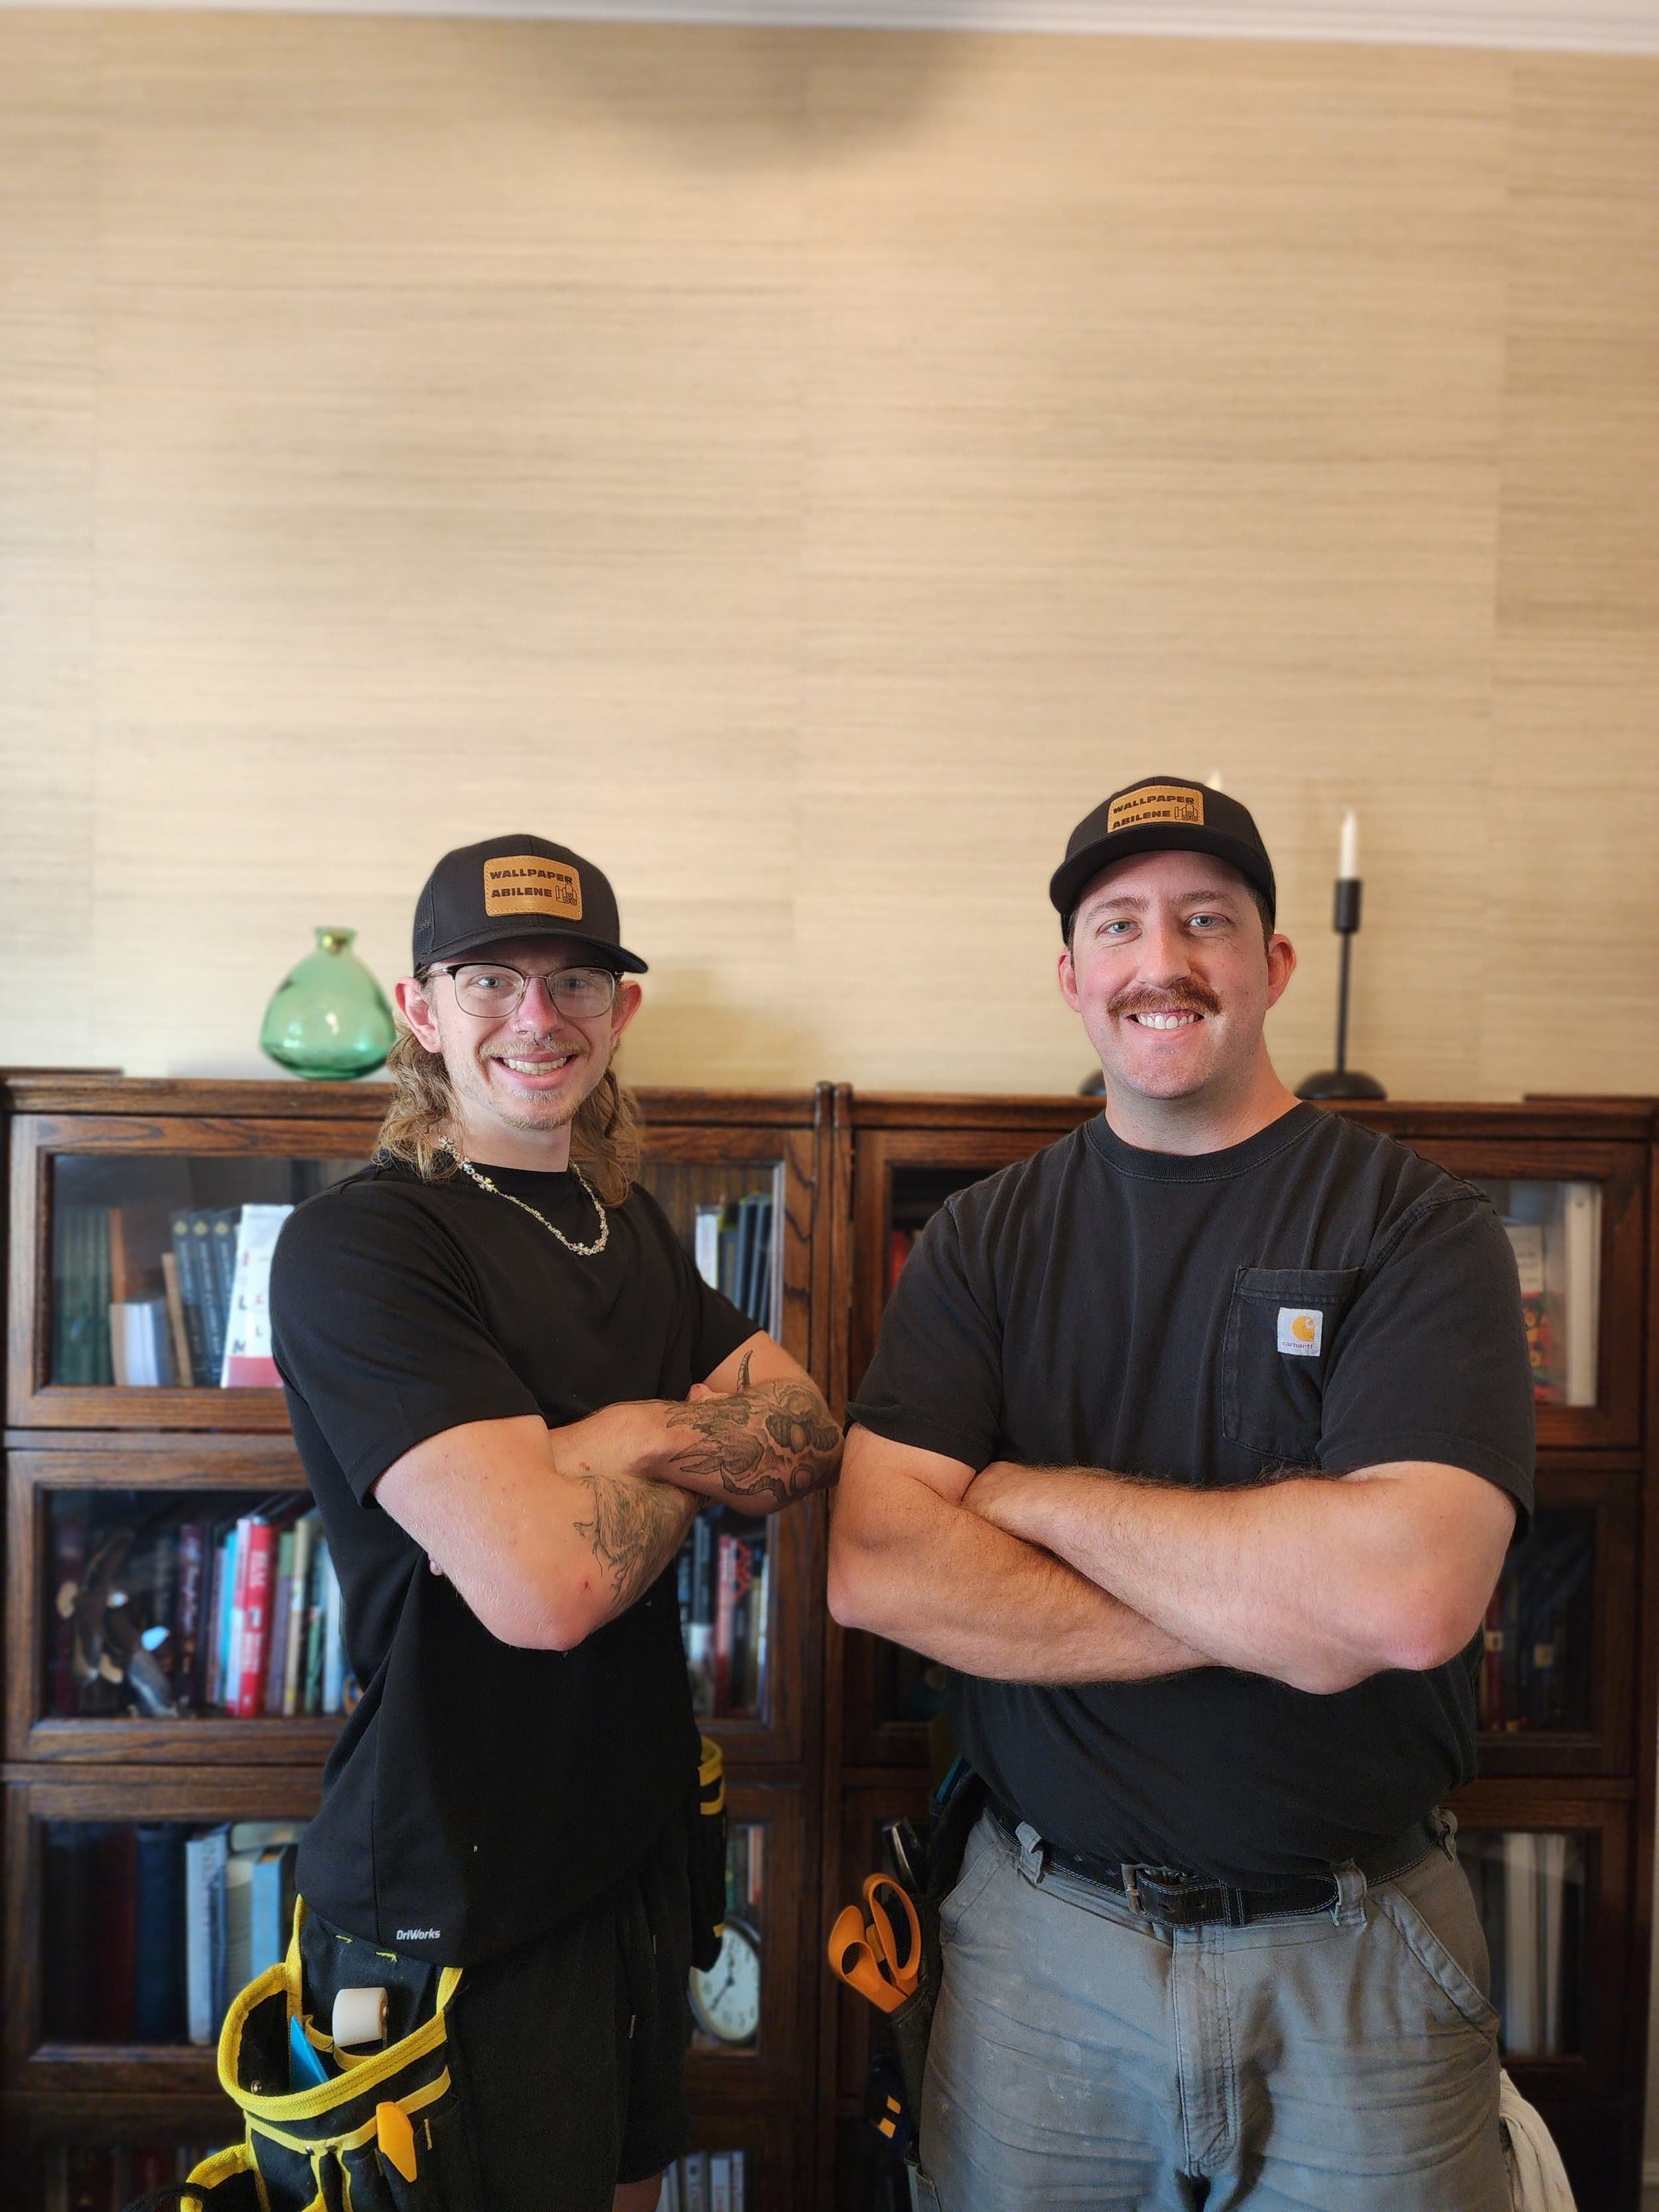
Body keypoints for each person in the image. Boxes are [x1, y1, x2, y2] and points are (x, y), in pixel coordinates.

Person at [829, 775, 1533, 2212]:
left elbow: (1404, 1597)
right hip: (1038, 1955)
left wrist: (1022, 1492)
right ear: (1073, 977)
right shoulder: (978, 1239)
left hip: (1358, 1962)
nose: (1162, 959)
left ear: (1270, 965)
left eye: (1204, 919)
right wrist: (1279, 1605)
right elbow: (880, 1566)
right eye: (1120, 924)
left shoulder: (1419, 1226)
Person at [270, 832, 841, 2212]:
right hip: (452, 1886)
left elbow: (804, 1432)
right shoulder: (369, 1244)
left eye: (576, 979)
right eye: (490, 979)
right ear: (420, 1008)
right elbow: (547, 1588)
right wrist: (667, 1432)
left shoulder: (626, 1226)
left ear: (619, 1010)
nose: (538, 1017)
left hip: (629, 1853)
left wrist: (596, 1442)